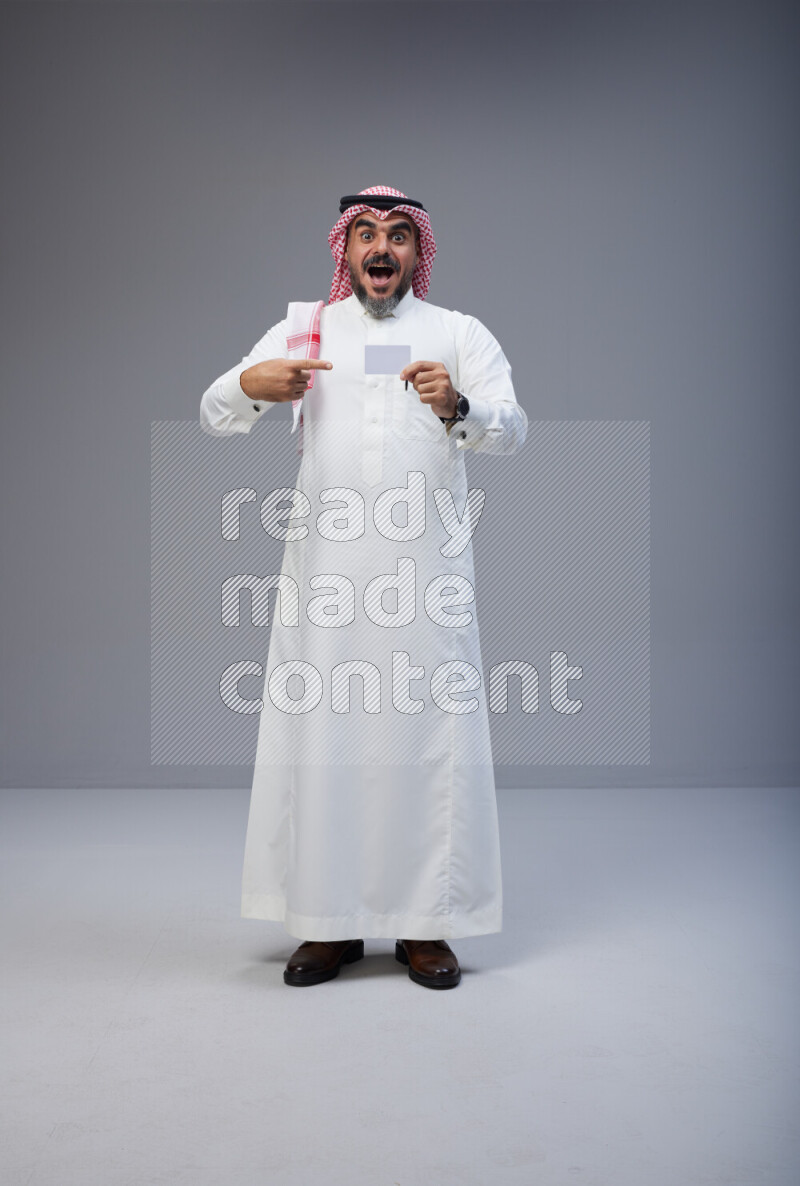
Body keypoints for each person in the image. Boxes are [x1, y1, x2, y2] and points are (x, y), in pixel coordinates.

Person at [200, 185, 527, 989]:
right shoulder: (305, 330)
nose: (382, 248)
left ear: (419, 252)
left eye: (399, 236)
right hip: (328, 583)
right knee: (327, 742)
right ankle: (328, 923)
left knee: (424, 740)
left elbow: (513, 430)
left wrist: (459, 405)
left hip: (424, 583)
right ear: (345, 249)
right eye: (367, 235)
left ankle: (424, 926)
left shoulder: (458, 334)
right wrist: (253, 386)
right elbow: (213, 410)